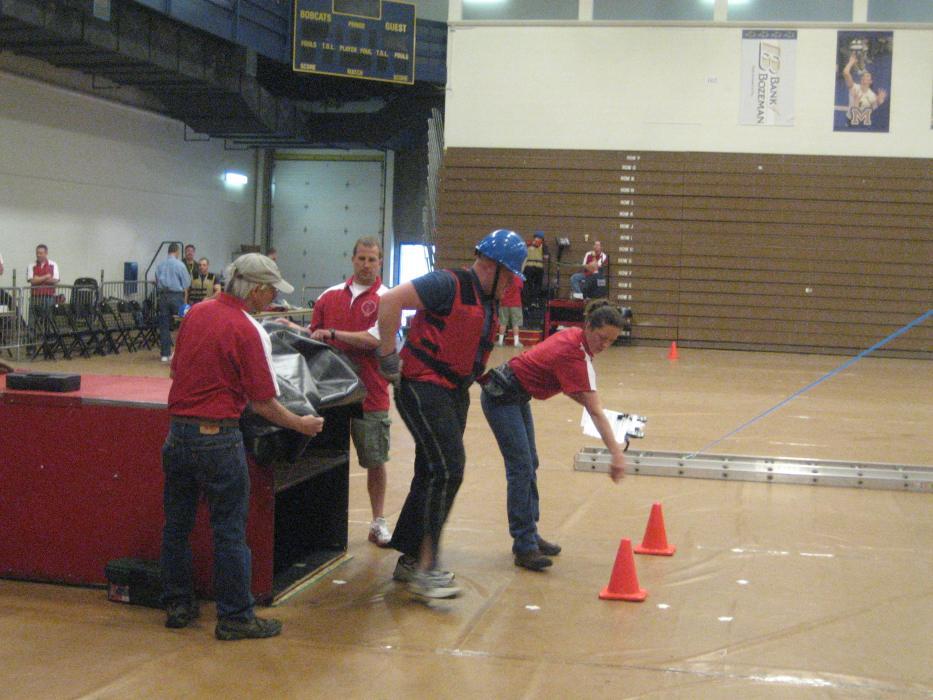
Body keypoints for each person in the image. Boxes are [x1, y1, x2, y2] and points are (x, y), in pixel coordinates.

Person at [161, 253, 325, 640]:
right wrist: (301, 423)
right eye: (270, 291)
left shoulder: (196, 314)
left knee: (177, 525)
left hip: (177, 435)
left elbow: (175, 370)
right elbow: (263, 401)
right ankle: (235, 616)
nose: (272, 299)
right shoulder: (250, 330)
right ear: (255, 289)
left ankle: (178, 603)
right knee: (229, 531)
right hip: (218, 439)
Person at [376, 228, 527, 599]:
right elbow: (390, 301)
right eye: (508, 276)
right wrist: (386, 354)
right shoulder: (447, 284)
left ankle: (411, 560)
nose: (511, 285)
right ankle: (427, 567)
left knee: (431, 470)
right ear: (489, 266)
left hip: (453, 392)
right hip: (422, 385)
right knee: (449, 468)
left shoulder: (489, 299)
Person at [480, 301, 627, 571]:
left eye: (612, 341)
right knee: (521, 467)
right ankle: (524, 545)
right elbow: (594, 410)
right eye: (602, 338)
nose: (605, 345)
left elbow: (567, 384)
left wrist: (583, 396)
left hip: (516, 394)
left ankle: (530, 533)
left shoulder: (573, 337)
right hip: (501, 397)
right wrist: (616, 453)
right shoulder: (574, 353)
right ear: (589, 327)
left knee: (529, 462)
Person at [279, 236, 393, 546]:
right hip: (329, 399)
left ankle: (378, 521)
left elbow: (376, 340)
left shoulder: (388, 298)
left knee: (374, 461)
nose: (366, 264)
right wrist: (293, 329)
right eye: (361, 259)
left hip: (370, 395)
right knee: (323, 460)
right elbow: (315, 339)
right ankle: (318, 526)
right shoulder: (329, 296)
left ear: (380, 262)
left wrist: (333, 333)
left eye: (372, 259)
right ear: (352, 260)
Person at [155, 243, 191, 362]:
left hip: (163, 297)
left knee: (164, 326)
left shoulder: (160, 265)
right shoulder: (180, 265)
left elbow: (157, 280)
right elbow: (186, 283)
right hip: (176, 297)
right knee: (184, 323)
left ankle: (165, 354)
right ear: (177, 252)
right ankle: (180, 352)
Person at [844, 53, 887, 126]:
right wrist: (851, 62)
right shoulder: (854, 87)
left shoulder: (872, 96)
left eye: (867, 76)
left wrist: (879, 102)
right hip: (850, 121)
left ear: (870, 81)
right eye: (863, 76)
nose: (864, 77)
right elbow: (846, 73)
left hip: (862, 123)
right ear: (861, 79)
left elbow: (874, 111)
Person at [28, 244, 60, 318]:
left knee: (49, 319)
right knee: (33, 319)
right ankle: (32, 330)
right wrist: (46, 276)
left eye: (41, 253)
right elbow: (32, 281)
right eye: (37, 253)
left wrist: (38, 279)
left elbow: (55, 280)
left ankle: (47, 330)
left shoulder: (53, 264)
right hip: (35, 297)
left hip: (49, 297)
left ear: (46, 254)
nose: (38, 255)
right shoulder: (31, 265)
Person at [522, 231, 547, 308]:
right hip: (531, 267)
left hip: (536, 268)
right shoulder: (528, 245)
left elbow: (546, 257)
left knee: (535, 286)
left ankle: (532, 302)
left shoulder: (543, 247)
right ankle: (528, 302)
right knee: (529, 285)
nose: (538, 240)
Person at [498, 275, 524, 347]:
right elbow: (521, 289)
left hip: (504, 303)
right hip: (515, 303)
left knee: (503, 323)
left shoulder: (504, 277)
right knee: (515, 324)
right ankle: (516, 342)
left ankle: (500, 342)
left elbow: (500, 289)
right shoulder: (519, 278)